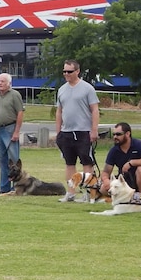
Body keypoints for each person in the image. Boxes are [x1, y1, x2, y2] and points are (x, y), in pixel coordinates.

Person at [55, 59, 100, 202]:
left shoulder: (87, 88)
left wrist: (94, 130)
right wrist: (58, 132)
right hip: (66, 132)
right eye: (64, 71)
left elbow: (94, 109)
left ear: (77, 71)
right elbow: (59, 111)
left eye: (69, 71)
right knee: (69, 163)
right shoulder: (62, 89)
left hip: (83, 132)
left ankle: (88, 193)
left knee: (87, 163)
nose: (66, 74)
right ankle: (71, 192)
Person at [0, 73, 25, 195]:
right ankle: (4, 187)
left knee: (14, 160)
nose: (0, 83)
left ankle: (18, 187)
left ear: (9, 83)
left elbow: (20, 113)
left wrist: (16, 131)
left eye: (2, 81)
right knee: (2, 160)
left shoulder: (15, 95)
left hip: (10, 129)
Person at [100, 122, 141, 194]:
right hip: (124, 180)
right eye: (113, 134)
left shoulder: (139, 144)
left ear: (127, 134)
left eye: (118, 134)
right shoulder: (114, 150)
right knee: (103, 189)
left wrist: (131, 163)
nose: (115, 137)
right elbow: (106, 172)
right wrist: (106, 181)